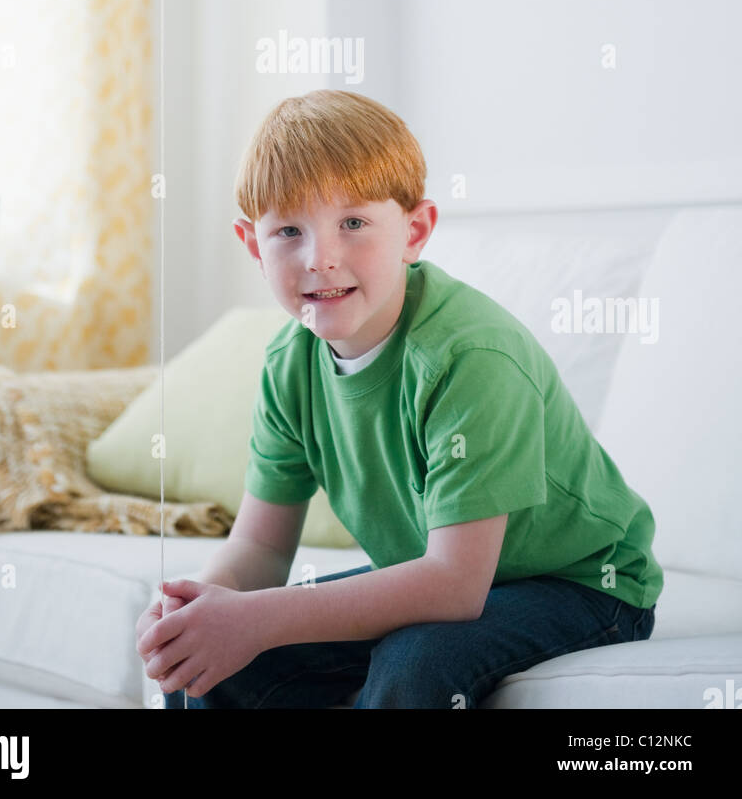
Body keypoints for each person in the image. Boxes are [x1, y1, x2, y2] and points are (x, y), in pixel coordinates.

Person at [136, 89, 662, 709]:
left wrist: (258, 619)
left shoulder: (471, 356)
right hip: (439, 573)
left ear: (414, 231)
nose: (320, 258)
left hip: (582, 585)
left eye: (352, 223)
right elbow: (262, 548)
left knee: (416, 662)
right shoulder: (289, 363)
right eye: (288, 231)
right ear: (254, 245)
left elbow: (455, 585)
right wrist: (204, 605)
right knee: (205, 660)